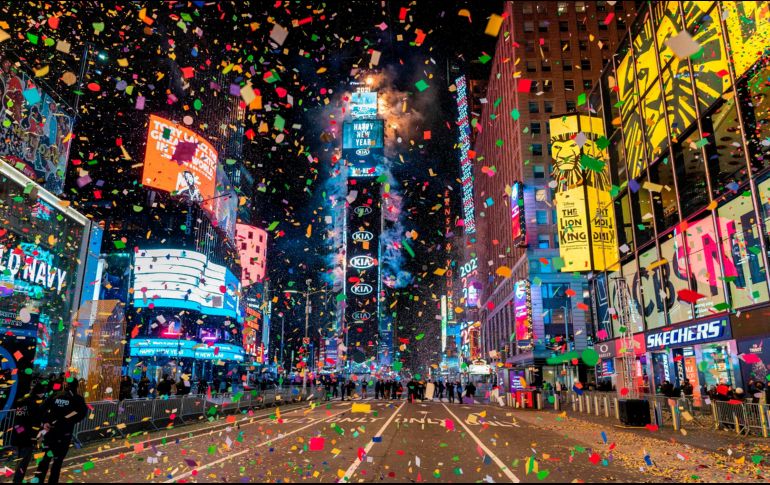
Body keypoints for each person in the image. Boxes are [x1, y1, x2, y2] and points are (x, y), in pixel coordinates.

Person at [34, 379, 88, 484]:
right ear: (76, 386)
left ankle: (38, 480)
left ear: (65, 385)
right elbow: (82, 414)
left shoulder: (55, 395)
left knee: (45, 459)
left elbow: (42, 409)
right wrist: (69, 421)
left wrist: (45, 422)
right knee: (57, 462)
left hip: (51, 432)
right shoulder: (77, 399)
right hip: (64, 433)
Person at [13, 382, 46, 484]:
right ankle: (17, 480)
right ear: (39, 393)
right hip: (28, 436)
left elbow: (18, 419)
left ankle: (17, 479)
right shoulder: (34, 404)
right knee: (23, 461)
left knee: (19, 459)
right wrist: (37, 436)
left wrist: (20, 432)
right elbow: (36, 421)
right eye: (42, 393)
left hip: (18, 433)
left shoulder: (22, 400)